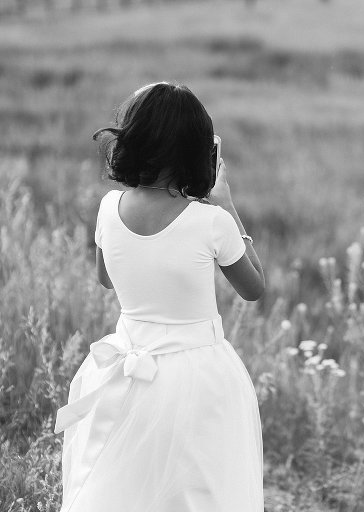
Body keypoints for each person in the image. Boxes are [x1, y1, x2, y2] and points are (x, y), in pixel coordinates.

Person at [54, 82, 266, 511]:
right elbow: (255, 287)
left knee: (128, 486)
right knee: (198, 488)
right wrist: (226, 204)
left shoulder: (109, 208)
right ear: (198, 151)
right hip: (199, 375)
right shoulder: (211, 221)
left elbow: (105, 279)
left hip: (125, 369)